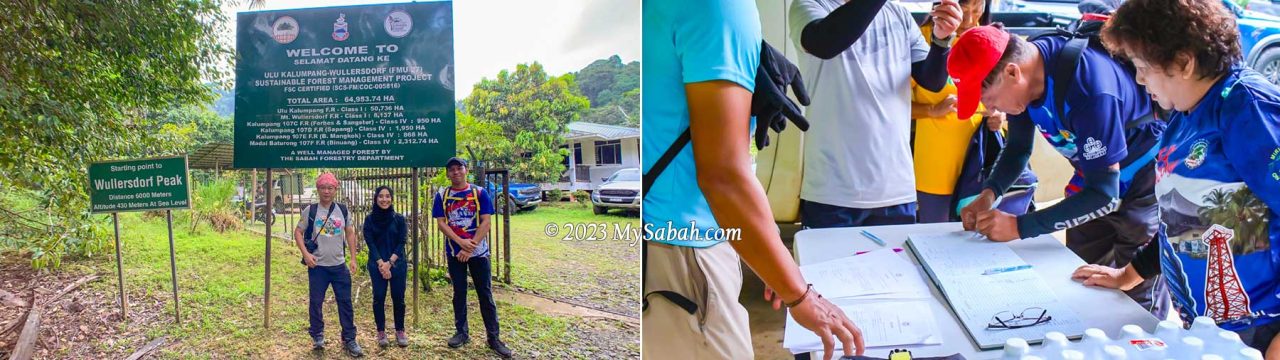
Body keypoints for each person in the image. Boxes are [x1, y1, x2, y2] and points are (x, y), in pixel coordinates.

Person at [643, 1, 866, 359]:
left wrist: (771, 256)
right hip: (684, 252)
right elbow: (723, 176)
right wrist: (799, 294)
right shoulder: (719, 8)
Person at [1071, 0, 1280, 355]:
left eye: (1142, 67)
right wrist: (1131, 273)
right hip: (1208, 325)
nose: (1138, 79)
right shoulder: (1183, 110)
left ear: (1183, 62)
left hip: (1261, 330)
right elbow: (1184, 221)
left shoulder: (1248, 108)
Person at [950, 23, 1170, 318]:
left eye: (987, 98)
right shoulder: (1028, 78)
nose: (989, 109)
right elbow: (1017, 149)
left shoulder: (1087, 86)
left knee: (1134, 297)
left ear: (1012, 72)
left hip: (1142, 182)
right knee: (1082, 278)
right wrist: (989, 194)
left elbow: (1105, 194)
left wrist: (1019, 226)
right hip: (1093, 177)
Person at [789, 0, 961, 229]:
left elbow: (931, 81)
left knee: (896, 266)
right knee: (830, 266)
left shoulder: (898, 13)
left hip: (896, 190)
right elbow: (824, 43)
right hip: (833, 191)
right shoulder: (809, 5)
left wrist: (941, 40)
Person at [910, 0, 1006, 223]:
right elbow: (894, 107)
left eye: (977, 10)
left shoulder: (992, 38)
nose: (971, 20)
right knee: (934, 238)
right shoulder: (922, 40)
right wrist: (932, 110)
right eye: (963, 12)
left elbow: (1010, 95)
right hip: (935, 170)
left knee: (977, 239)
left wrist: (1001, 117)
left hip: (981, 164)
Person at [432, 157, 512, 358]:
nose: (456, 172)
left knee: (485, 294)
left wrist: (470, 247)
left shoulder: (479, 193)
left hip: (479, 253)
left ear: (466, 170)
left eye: (459, 168)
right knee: (459, 293)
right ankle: (461, 332)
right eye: (451, 170)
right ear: (448, 173)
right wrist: (460, 243)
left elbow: (486, 222)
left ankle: (493, 337)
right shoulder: (442, 195)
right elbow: (441, 223)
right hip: (454, 252)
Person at [294, 172, 363, 357]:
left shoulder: (343, 210)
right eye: (323, 188)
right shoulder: (311, 211)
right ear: (318, 189)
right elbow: (298, 232)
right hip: (317, 266)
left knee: (345, 302)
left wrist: (353, 258)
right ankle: (317, 335)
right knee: (316, 302)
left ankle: (349, 338)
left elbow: (350, 232)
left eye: (330, 188)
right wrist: (306, 254)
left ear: (335, 190)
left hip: (339, 266)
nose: (326, 191)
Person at [363, 185, 408, 348]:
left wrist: (390, 263)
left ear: (392, 198)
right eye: (381, 196)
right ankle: (381, 331)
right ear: (376, 199)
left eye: (387, 196)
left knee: (398, 298)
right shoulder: (369, 220)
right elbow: (370, 242)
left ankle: (400, 330)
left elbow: (402, 242)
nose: (384, 199)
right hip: (377, 265)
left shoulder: (399, 219)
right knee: (379, 297)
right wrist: (382, 264)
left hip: (397, 264)